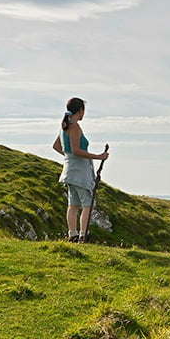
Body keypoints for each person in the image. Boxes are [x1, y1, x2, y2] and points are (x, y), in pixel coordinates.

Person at [52, 97, 109, 242]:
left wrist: (68, 157)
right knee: (87, 204)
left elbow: (57, 147)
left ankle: (72, 235)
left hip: (69, 169)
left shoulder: (64, 126)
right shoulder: (74, 127)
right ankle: (83, 235)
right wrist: (98, 156)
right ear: (80, 111)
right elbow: (77, 150)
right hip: (80, 171)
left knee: (73, 205)